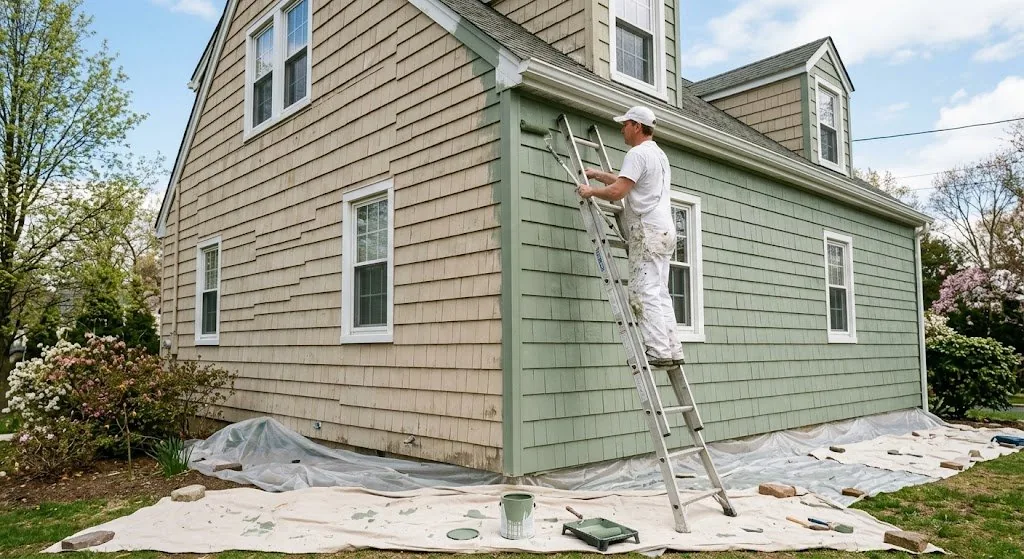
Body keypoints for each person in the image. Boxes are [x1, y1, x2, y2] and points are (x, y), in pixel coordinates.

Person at [577, 106, 683, 367]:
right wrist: (601, 175)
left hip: (647, 231)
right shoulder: (658, 155)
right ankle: (673, 349)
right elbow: (631, 182)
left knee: (641, 292)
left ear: (637, 126)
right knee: (659, 292)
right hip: (665, 230)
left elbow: (618, 192)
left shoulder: (636, 154)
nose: (621, 129)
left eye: (625, 124)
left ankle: (657, 350)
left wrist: (590, 192)